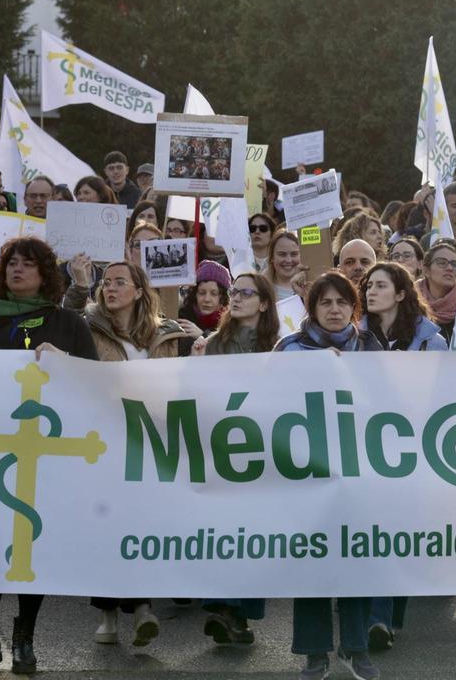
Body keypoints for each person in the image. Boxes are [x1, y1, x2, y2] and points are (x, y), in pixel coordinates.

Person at [0, 236, 98, 675]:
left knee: (34, 543)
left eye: (28, 264)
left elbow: (93, 380)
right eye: (11, 263)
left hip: (47, 450)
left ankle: (25, 636)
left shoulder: (68, 323)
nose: (18, 271)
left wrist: (64, 359)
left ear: (45, 273)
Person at [275, 271, 381, 680]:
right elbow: (271, 401)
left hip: (359, 473)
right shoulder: (289, 349)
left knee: (357, 560)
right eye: (325, 303)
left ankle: (356, 649)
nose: (334, 310)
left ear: (353, 307)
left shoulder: (371, 347)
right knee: (313, 562)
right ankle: (315, 652)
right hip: (307, 473)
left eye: (342, 302)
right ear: (312, 309)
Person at [84, 261, 190, 646]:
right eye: (106, 283)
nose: (110, 288)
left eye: (120, 282)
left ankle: (140, 605)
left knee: (142, 526)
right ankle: (113, 614)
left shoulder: (167, 336)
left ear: (140, 290)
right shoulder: (89, 328)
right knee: (110, 525)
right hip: (107, 442)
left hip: (151, 444)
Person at [357, 261, 446, 650]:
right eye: (367, 286)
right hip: (366, 450)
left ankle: (388, 616)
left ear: (401, 293)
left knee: (400, 537)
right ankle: (378, 618)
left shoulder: (432, 342)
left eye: (380, 285)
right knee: (376, 534)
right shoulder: (352, 339)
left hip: (413, 453)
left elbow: (443, 393)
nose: (370, 292)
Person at [188, 272, 279, 643]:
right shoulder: (211, 345)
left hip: (265, 451)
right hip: (222, 449)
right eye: (234, 291)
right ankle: (224, 606)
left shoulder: (279, 346)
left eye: (246, 292)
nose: (236, 297)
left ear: (264, 302)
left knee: (254, 534)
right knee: (226, 528)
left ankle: (238, 616)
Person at [418, 239, 456, 342]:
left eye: (454, 264)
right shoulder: (409, 301)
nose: (449, 268)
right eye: (442, 263)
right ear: (426, 270)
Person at [177, 260, 231, 339]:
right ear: (195, 294)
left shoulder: (231, 323)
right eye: (202, 293)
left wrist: (203, 335)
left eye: (214, 293)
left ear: (223, 297)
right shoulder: (183, 319)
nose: (207, 299)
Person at [264, 228, 302, 301]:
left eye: (294, 254)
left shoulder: (312, 287)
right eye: (282, 254)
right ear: (272, 257)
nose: (288, 260)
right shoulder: (260, 288)